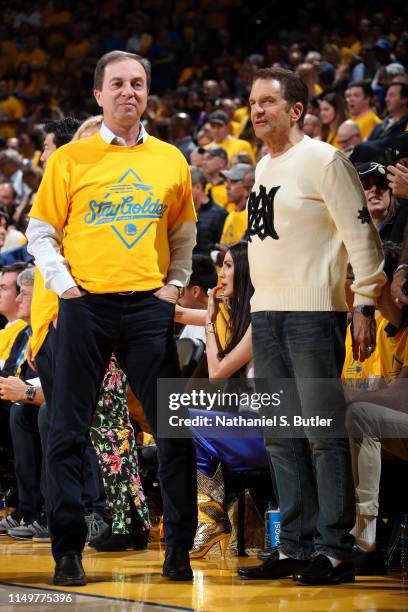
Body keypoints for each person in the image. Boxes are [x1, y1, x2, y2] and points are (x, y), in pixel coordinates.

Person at [26, 50, 198, 586]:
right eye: (118, 84)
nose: (129, 92)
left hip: (149, 306)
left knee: (172, 433)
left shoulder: (171, 158)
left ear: (148, 94)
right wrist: (66, 288)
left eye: (138, 84)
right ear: (98, 95)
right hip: (86, 307)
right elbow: (41, 232)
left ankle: (178, 550)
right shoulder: (69, 160)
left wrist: (173, 285)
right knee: (67, 432)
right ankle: (67, 551)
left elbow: (184, 232)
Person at [238, 67, 386, 586]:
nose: (257, 110)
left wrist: (365, 302)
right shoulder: (261, 168)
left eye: (268, 102)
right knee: (280, 436)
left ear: (296, 109)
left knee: (323, 436)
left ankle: (335, 550)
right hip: (267, 313)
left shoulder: (325, 160)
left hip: (314, 314)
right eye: (253, 102)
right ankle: (295, 547)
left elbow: (361, 236)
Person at [175, 242, 254, 557]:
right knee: (181, 418)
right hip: (249, 423)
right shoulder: (234, 315)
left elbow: (218, 372)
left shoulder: (258, 319)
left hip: (274, 429)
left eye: (230, 266)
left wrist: (209, 319)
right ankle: (209, 514)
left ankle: (210, 517)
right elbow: (178, 311)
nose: (221, 274)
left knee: (185, 419)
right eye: (221, 265)